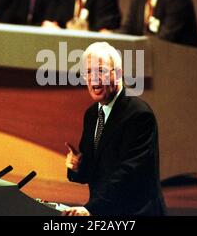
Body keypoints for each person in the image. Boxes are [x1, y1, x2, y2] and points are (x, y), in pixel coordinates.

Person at [63, 42, 166, 216]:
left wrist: (90, 208)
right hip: (105, 212)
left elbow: (127, 174)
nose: (93, 79)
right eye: (88, 72)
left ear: (118, 74)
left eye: (100, 71)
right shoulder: (91, 115)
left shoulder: (139, 115)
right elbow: (95, 170)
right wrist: (78, 167)